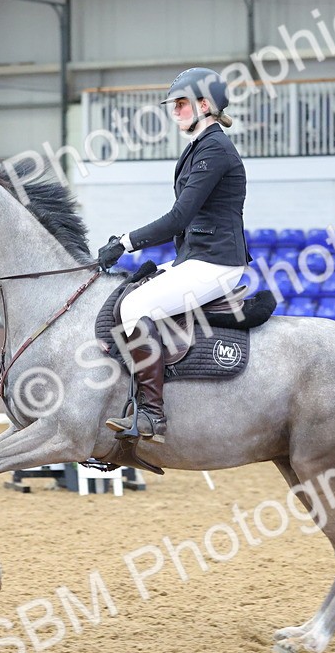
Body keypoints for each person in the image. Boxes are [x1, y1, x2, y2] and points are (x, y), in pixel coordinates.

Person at [96, 67, 251, 443]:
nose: (175, 110)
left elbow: (179, 216)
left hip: (215, 262)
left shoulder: (214, 149)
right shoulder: (199, 146)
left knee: (136, 309)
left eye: (182, 103)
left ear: (205, 105)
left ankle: (152, 415)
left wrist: (125, 241)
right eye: (174, 104)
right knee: (125, 294)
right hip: (196, 257)